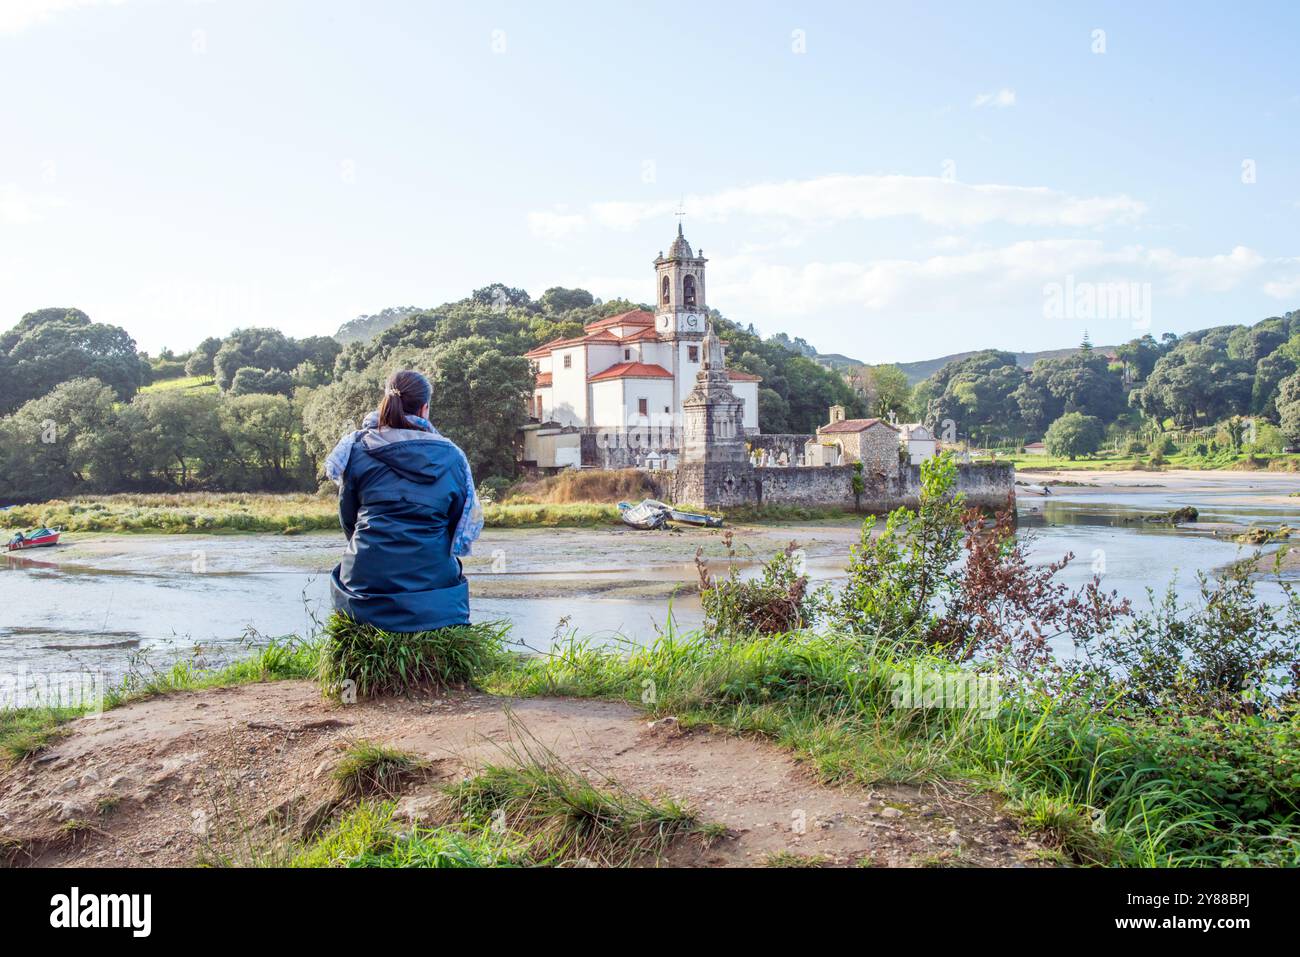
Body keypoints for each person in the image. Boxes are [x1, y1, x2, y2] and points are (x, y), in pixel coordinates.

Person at [324, 370, 483, 632]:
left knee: (342, 572)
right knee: (451, 573)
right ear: (425, 408)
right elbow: (458, 525)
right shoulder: (453, 457)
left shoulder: (357, 449)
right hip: (434, 593)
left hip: (363, 590)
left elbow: (348, 518)